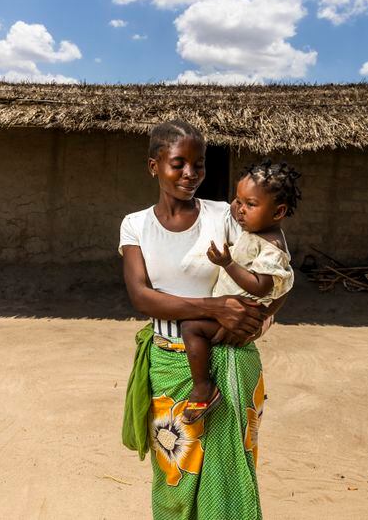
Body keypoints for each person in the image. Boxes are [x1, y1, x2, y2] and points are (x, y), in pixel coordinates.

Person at [119, 120, 287, 520]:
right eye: (179, 164)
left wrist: (259, 319)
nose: (190, 174)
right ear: (154, 166)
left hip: (229, 356)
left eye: (199, 164)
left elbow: (276, 271)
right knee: (174, 470)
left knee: (230, 473)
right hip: (168, 361)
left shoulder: (224, 216)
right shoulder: (136, 225)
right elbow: (143, 297)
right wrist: (214, 308)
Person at [181, 161, 301, 425]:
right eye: (237, 201)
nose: (240, 210)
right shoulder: (254, 233)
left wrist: (227, 263)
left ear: (278, 211)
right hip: (232, 312)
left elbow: (261, 285)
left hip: (240, 314)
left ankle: (203, 388)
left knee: (191, 328)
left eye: (250, 205)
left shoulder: (272, 246)